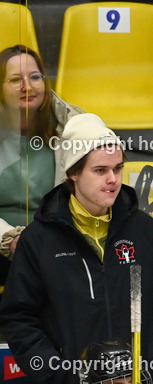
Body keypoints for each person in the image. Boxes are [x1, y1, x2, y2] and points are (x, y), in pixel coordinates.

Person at [0, 112, 153, 384]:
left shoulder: (144, 230)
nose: (113, 179)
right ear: (72, 173)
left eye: (118, 168)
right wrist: (60, 375)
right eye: (100, 170)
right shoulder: (38, 240)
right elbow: (19, 318)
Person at [0, 44, 83, 264]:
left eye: (35, 77)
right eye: (16, 80)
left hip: (56, 242)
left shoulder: (72, 125)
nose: (27, 86)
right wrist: (9, 238)